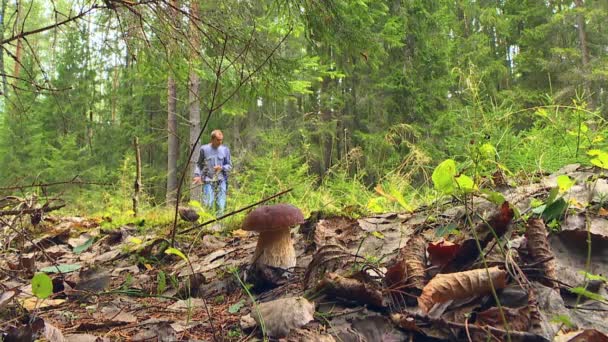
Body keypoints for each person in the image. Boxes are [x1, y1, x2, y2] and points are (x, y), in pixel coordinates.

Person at [193, 130, 232, 216]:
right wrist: (197, 175)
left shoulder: (225, 150)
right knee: (208, 203)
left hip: (221, 180)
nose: (220, 142)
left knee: (221, 204)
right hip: (208, 179)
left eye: (221, 140)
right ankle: (207, 224)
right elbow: (199, 164)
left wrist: (221, 168)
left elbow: (229, 165)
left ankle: (219, 225)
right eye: (218, 140)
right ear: (212, 139)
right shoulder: (204, 149)